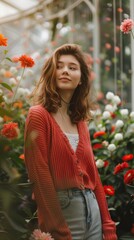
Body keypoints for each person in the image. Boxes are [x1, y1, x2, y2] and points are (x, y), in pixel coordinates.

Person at [24, 44, 117, 240]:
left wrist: (108, 225)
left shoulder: (80, 120)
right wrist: (58, 229)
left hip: (93, 210)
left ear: (81, 78)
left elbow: (93, 175)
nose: (65, 70)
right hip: (63, 211)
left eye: (72, 67)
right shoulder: (38, 116)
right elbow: (39, 177)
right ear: (51, 72)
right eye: (59, 66)